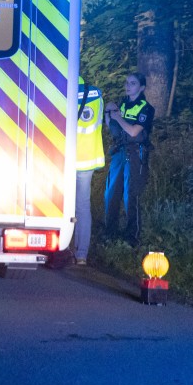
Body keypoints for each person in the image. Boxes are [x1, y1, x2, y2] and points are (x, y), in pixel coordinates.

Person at [104, 71, 155, 244]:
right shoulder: (121, 104)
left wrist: (118, 117)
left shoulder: (146, 108)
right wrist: (108, 114)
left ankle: (132, 237)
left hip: (136, 153)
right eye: (126, 82)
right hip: (119, 151)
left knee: (131, 195)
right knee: (111, 193)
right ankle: (109, 233)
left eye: (132, 83)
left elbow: (134, 131)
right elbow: (112, 128)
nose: (127, 86)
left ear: (141, 87)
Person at [72, 77, 106, 265]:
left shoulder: (62, 89)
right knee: (83, 207)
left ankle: (62, 250)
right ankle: (81, 254)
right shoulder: (96, 94)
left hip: (66, 159)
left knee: (62, 205)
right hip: (88, 160)